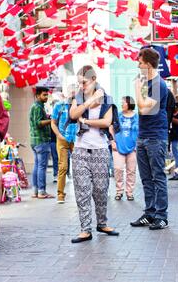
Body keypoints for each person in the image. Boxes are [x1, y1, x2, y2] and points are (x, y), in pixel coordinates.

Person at [69, 65, 119, 243]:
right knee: (82, 190)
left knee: (100, 190)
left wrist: (86, 120)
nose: (81, 86)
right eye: (79, 83)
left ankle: (102, 223)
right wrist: (89, 103)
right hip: (81, 150)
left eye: (84, 82)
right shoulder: (79, 98)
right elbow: (74, 114)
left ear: (93, 80)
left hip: (100, 150)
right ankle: (85, 229)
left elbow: (107, 122)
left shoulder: (107, 99)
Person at [130, 48, 169, 230]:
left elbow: (144, 109)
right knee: (146, 178)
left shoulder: (159, 85)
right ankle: (150, 212)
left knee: (158, 177)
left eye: (140, 62)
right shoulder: (146, 83)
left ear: (148, 63)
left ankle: (161, 216)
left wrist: (137, 89)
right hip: (143, 135)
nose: (138, 65)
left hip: (155, 137)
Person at [51, 85, 77, 203]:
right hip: (62, 139)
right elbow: (53, 123)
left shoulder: (80, 106)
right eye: (70, 90)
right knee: (63, 167)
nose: (73, 92)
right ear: (66, 93)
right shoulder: (59, 106)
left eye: (75, 90)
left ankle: (81, 194)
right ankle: (60, 195)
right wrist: (59, 135)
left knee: (79, 167)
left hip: (76, 140)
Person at [111, 96, 138, 201]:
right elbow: (111, 128)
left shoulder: (137, 117)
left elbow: (141, 131)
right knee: (118, 169)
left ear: (129, 104)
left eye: (123, 103)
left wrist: (137, 145)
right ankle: (119, 191)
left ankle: (130, 192)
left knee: (131, 170)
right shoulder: (117, 116)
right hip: (118, 147)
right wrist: (112, 141)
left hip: (133, 148)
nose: (121, 104)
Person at [29, 86, 54, 199]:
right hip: (41, 140)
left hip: (35, 141)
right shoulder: (37, 107)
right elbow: (38, 123)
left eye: (47, 95)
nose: (46, 97)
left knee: (37, 165)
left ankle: (35, 191)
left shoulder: (37, 106)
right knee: (42, 166)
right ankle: (42, 191)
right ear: (37, 95)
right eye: (44, 95)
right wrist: (51, 120)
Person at [169, 102, 178, 180]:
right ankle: (176, 173)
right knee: (175, 156)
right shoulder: (176, 114)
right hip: (174, 137)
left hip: (176, 137)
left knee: (177, 156)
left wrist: (170, 117)